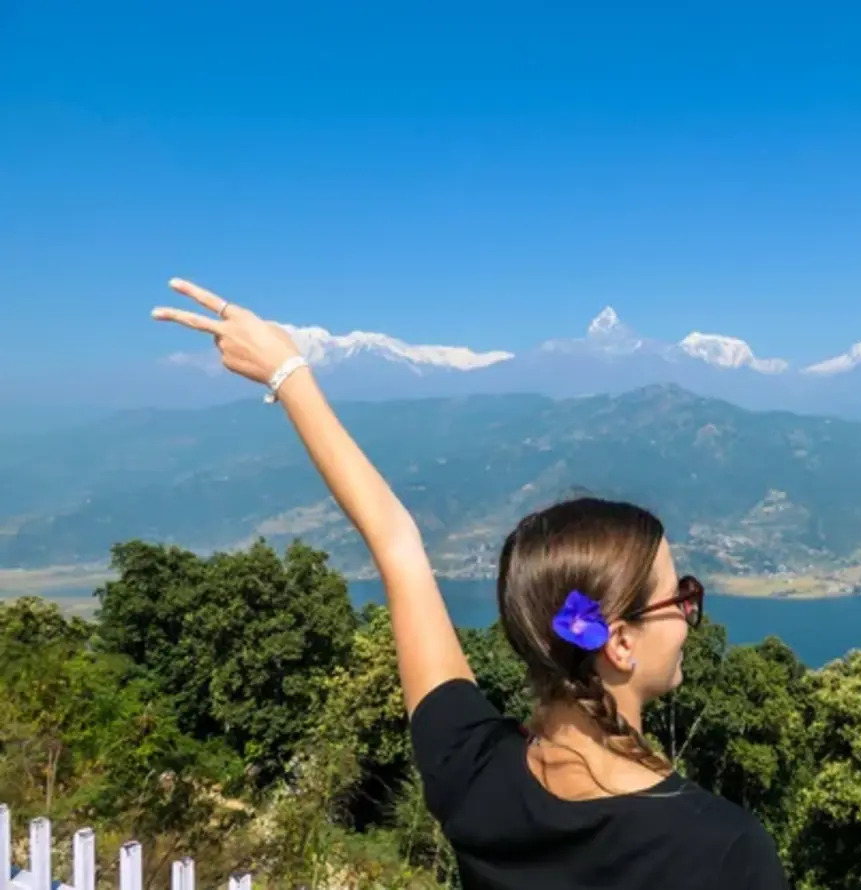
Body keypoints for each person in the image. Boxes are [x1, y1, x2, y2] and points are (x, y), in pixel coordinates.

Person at [152, 279, 790, 889]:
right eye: (682, 595)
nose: (688, 612)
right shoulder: (723, 851)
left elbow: (396, 545)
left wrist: (288, 374)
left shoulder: (474, 777)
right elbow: (398, 543)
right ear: (618, 643)